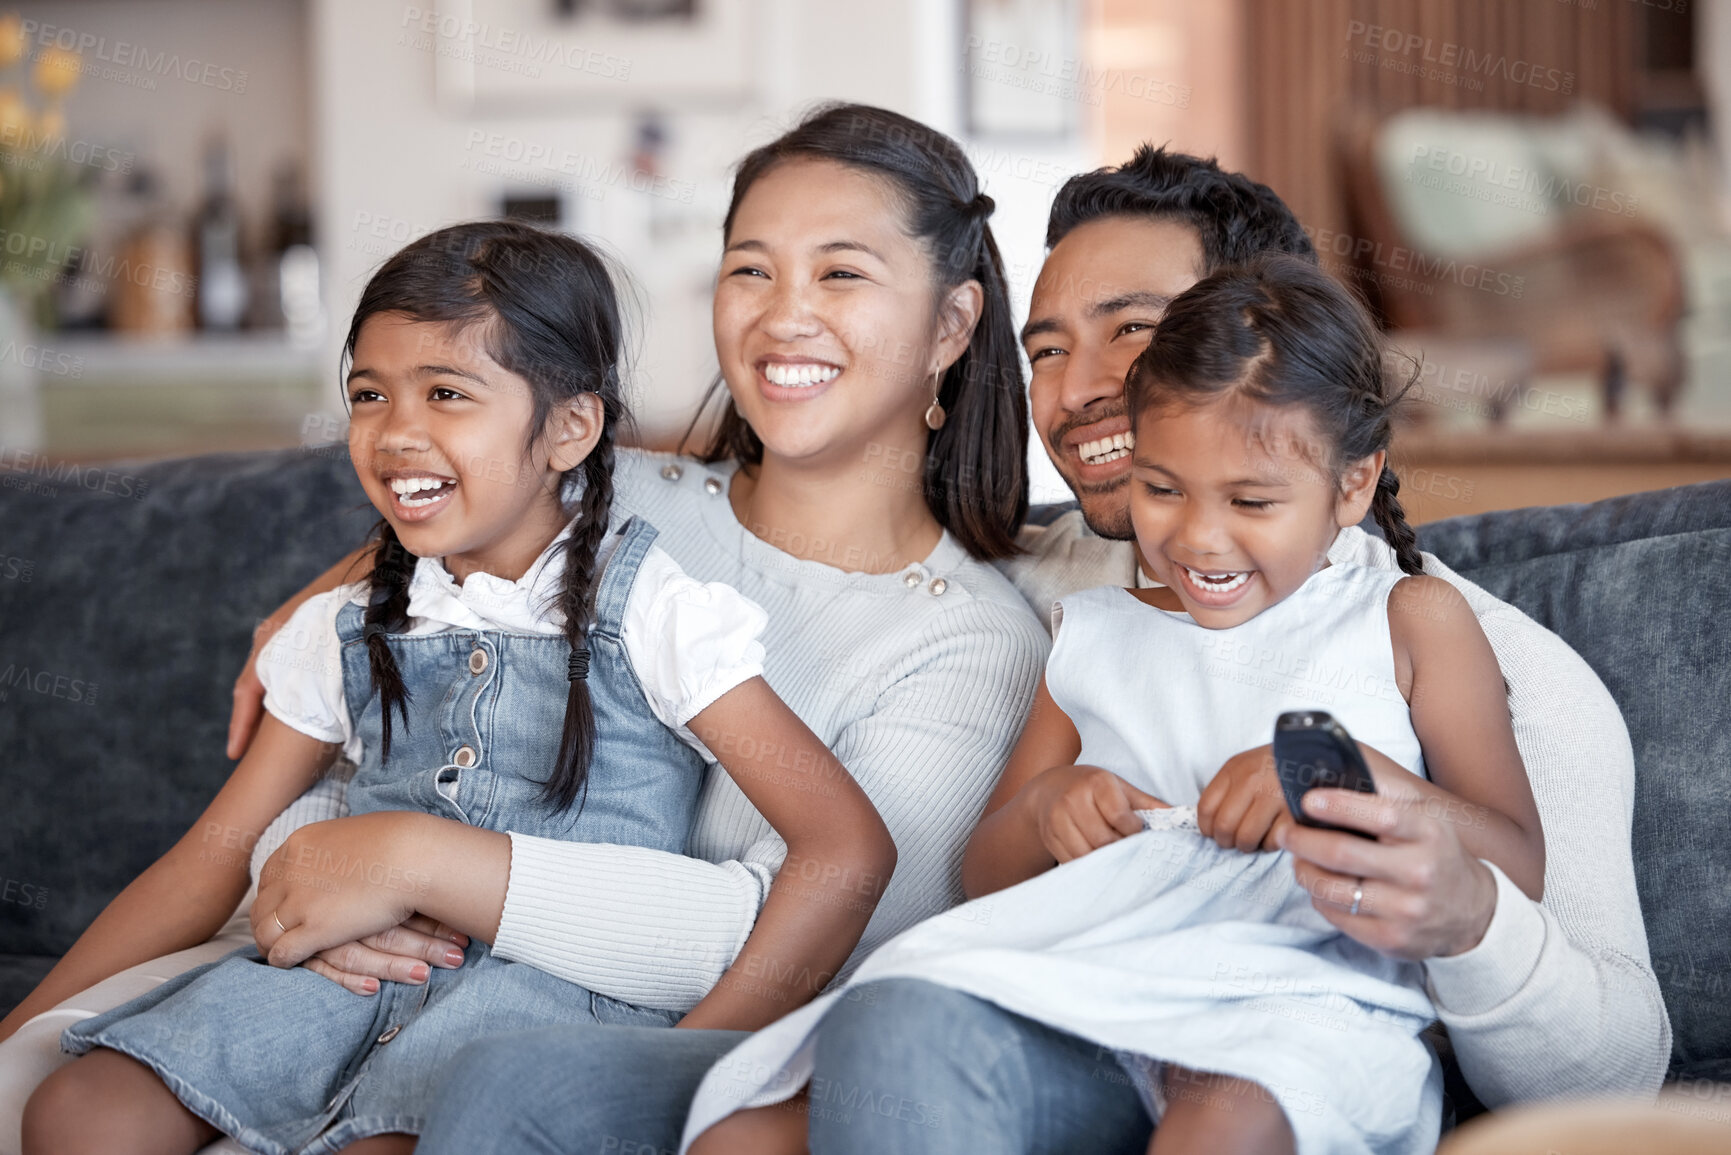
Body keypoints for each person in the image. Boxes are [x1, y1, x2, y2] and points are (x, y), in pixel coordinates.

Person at [412, 147, 1666, 1155]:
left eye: (1144, 331)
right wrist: (394, 580)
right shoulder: (1058, 582)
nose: (1084, 391)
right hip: (1046, 996)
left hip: (1263, 1018)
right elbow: (616, 501)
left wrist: (1466, 910)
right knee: (523, 1087)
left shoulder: (1462, 646)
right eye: (1049, 347)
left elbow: (1613, 1066)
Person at [17, 220, 896, 1155]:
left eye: (446, 392)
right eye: (368, 393)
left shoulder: (657, 614)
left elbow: (844, 846)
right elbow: (211, 856)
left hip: (534, 1004)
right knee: (76, 1111)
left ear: (569, 426)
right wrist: (19, 1026)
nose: (397, 432)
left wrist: (694, 1059)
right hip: (337, 981)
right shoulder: (346, 623)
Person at [680, 253, 1549, 1155]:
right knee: (741, 1133)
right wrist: (1050, 809)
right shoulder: (1094, 633)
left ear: (1353, 484)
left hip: (1293, 997)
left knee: (1225, 1125)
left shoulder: (1410, 618)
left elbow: (1518, 863)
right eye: (1162, 488)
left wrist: (1360, 786)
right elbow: (985, 869)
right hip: (1087, 976)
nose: (1198, 535)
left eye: (1251, 499)